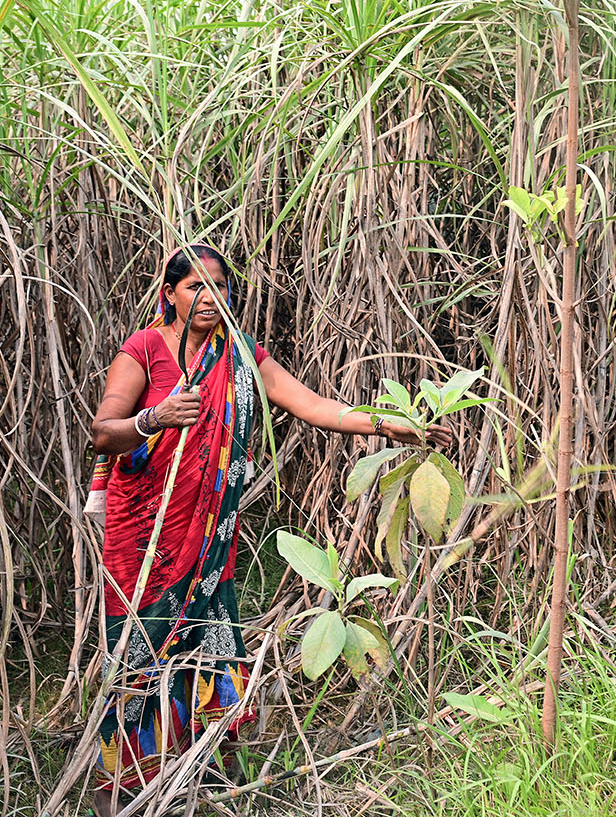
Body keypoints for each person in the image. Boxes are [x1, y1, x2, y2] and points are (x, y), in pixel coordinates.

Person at [87, 244, 451, 814]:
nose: (209, 298)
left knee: (208, 640)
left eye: (219, 287)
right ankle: (128, 790)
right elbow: (104, 432)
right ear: (170, 296)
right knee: (141, 652)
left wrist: (394, 427)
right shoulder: (145, 350)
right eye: (195, 288)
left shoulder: (241, 356)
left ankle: (209, 781)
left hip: (209, 538)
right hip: (145, 534)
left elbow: (317, 407)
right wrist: (154, 418)